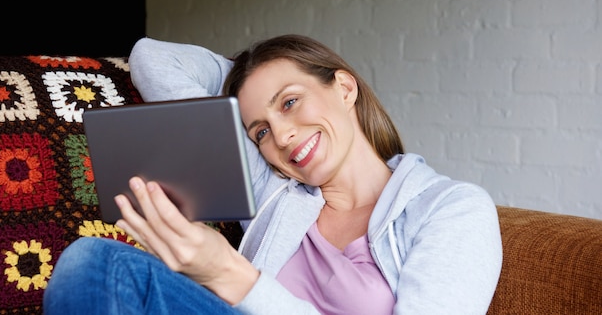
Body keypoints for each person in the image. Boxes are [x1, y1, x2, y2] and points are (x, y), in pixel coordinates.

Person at [43, 34, 502, 314]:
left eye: (290, 102)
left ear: (344, 87)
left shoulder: (449, 208)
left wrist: (228, 273)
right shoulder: (273, 190)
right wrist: (248, 78)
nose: (280, 136)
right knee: (95, 262)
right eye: (259, 130)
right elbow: (154, 59)